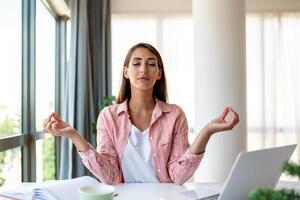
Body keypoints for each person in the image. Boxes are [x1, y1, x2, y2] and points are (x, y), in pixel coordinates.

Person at [44, 43, 239, 185]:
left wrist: (206, 132)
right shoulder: (108, 117)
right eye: (136, 63)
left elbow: (178, 176)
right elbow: (110, 176)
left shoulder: (175, 115)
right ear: (126, 72)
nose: (143, 69)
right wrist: (74, 135)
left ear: (159, 73)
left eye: (151, 64)